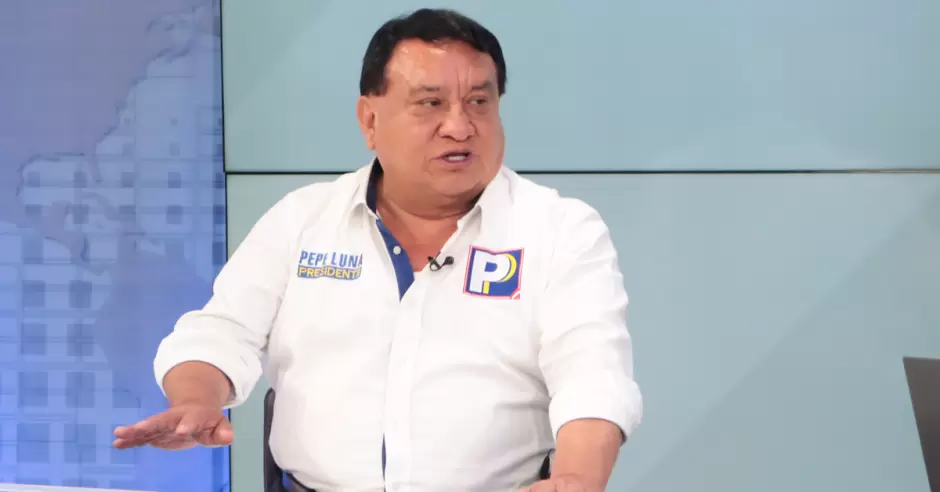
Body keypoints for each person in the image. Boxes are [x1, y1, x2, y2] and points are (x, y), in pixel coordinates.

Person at [113, 8, 642, 492]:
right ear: (370, 120)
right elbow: (221, 332)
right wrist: (197, 398)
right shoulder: (303, 219)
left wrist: (575, 479)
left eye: (479, 102)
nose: (459, 126)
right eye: (430, 103)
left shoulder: (560, 229)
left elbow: (592, 374)